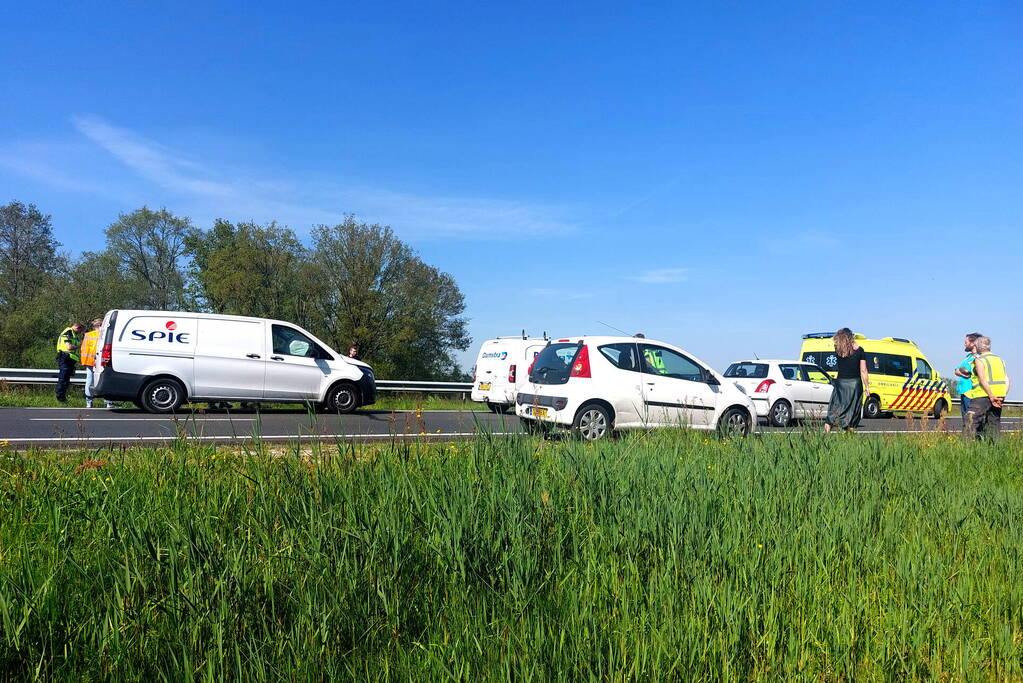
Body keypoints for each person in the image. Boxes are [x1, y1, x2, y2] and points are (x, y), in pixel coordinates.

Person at [962, 336, 1010, 439]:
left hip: (982, 395)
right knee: (994, 423)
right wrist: (1002, 394)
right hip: (999, 396)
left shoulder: (979, 359)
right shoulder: (1000, 360)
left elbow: (982, 379)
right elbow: (1007, 379)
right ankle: (995, 446)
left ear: (978, 346)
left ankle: (967, 446)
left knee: (970, 420)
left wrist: (991, 396)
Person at [824, 328, 870, 433]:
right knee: (852, 412)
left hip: (840, 384)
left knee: (833, 410)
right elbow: (863, 370)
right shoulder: (859, 350)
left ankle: (825, 435)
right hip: (855, 385)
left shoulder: (838, 350)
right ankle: (849, 437)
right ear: (851, 337)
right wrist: (867, 386)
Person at [80, 318, 114, 408]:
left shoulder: (88, 335)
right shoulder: (103, 335)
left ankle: (89, 402)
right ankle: (108, 402)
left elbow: (83, 349)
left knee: (89, 380)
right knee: (106, 380)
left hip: (88, 361)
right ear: (100, 325)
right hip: (100, 361)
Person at [953, 333, 982, 420]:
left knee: (971, 419)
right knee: (965, 418)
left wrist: (965, 372)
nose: (964, 344)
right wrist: (963, 373)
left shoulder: (978, 358)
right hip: (964, 391)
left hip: (971, 392)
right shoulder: (968, 357)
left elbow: (970, 373)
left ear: (973, 343)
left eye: (966, 342)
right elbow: (956, 370)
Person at [55, 322, 84, 403]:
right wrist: (80, 346)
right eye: (80, 331)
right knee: (63, 378)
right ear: (77, 328)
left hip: (70, 359)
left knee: (66, 379)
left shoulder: (74, 334)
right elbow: (69, 347)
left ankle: (62, 398)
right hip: (65, 357)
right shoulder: (68, 332)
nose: (80, 333)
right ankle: (60, 398)